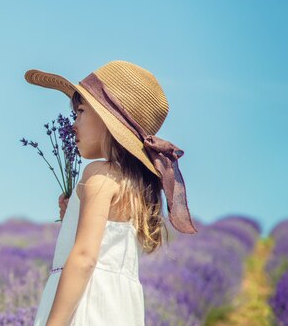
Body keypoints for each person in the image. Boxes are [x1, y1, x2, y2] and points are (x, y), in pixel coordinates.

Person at [24, 60, 198, 326]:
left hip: (86, 304)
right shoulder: (135, 187)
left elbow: (84, 257)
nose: (73, 125)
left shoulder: (97, 175)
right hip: (119, 309)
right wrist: (74, 212)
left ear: (108, 121)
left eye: (80, 112)